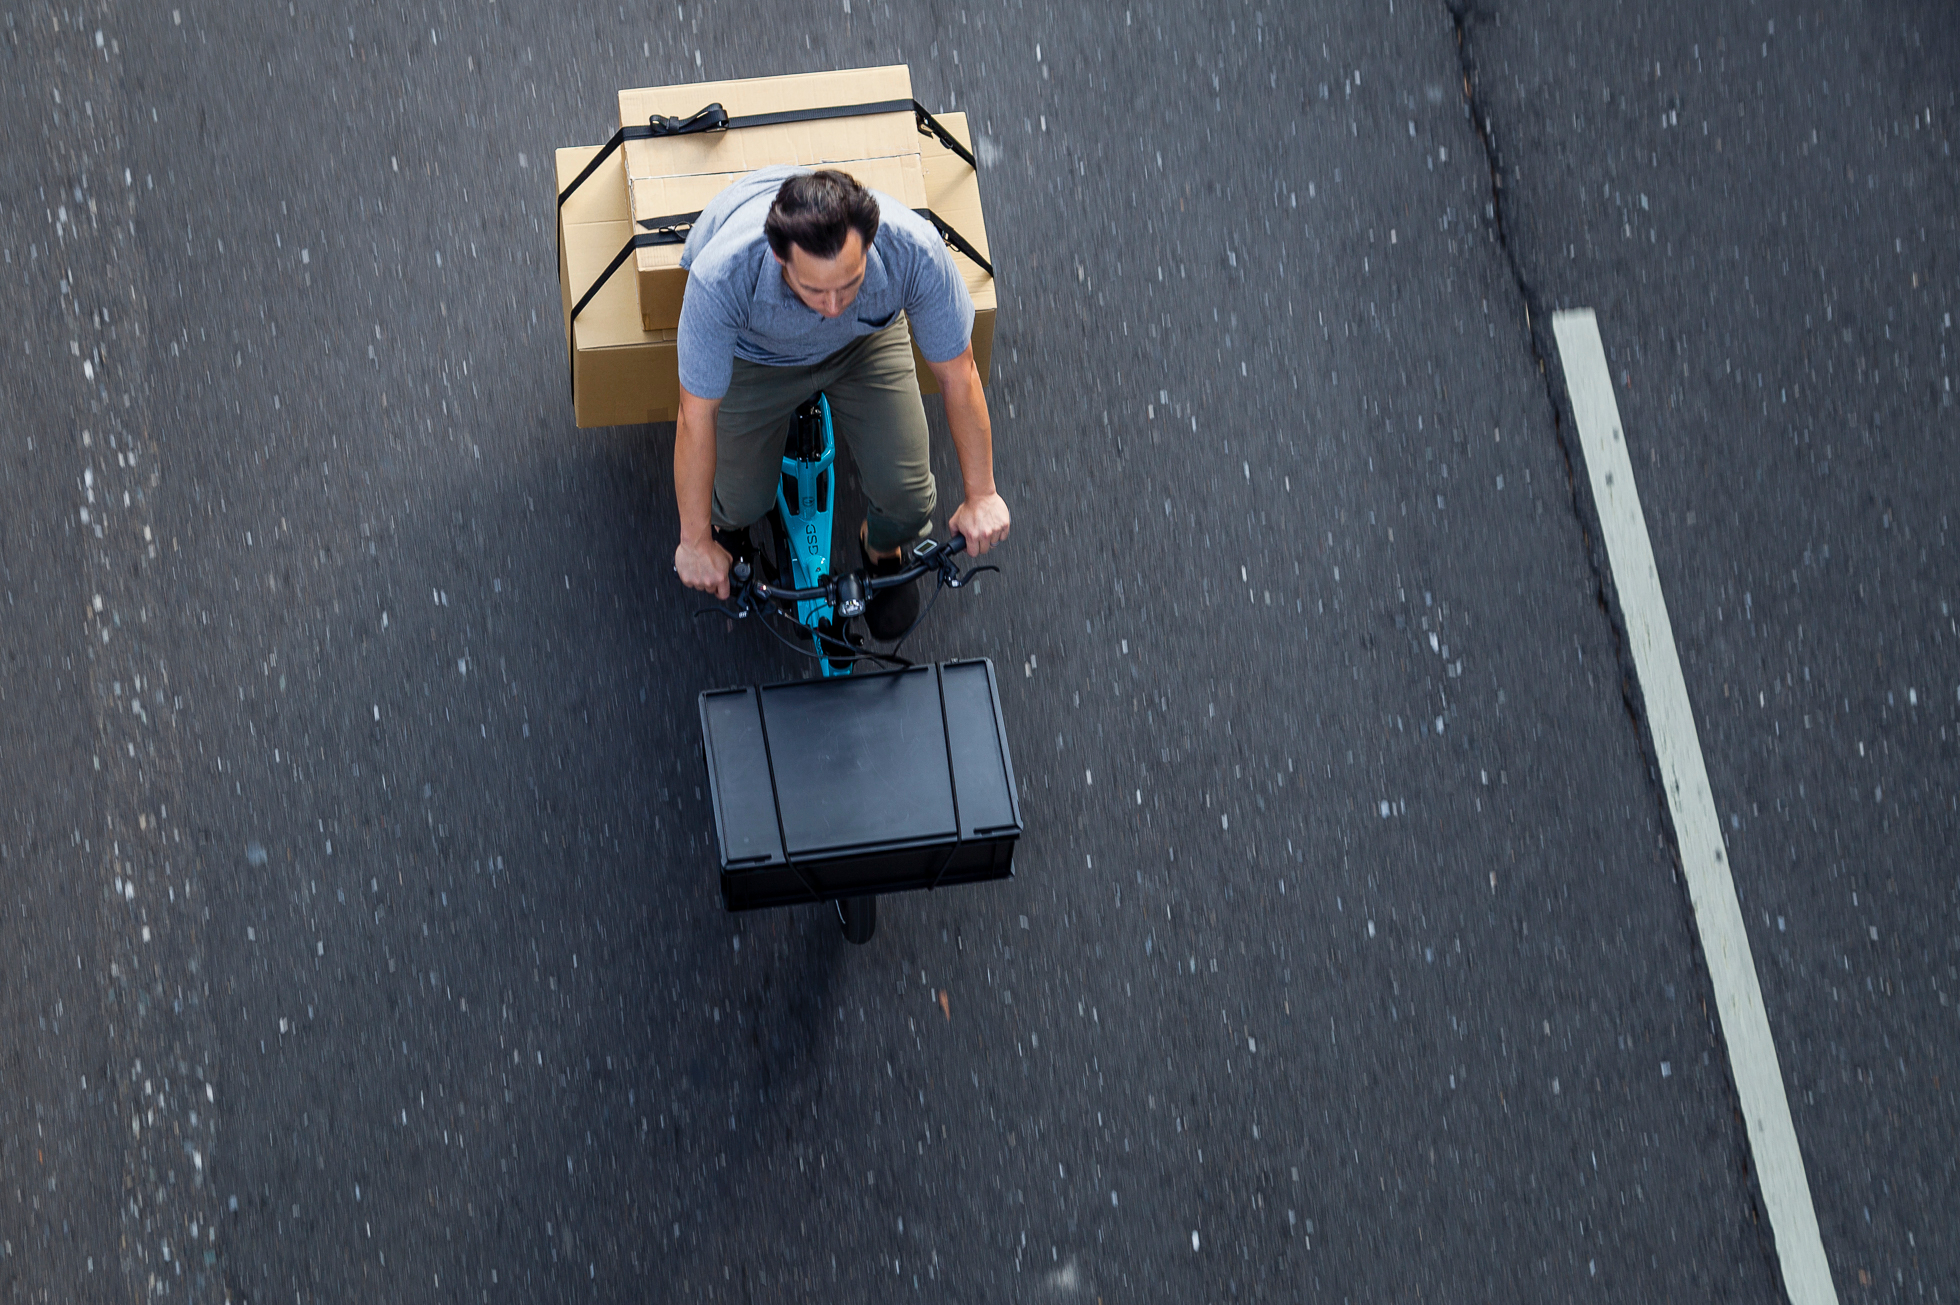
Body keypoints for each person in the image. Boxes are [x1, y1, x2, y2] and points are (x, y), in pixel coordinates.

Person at [669, 166, 1009, 638]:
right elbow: (695, 415)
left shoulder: (914, 249)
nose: (832, 306)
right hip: (756, 356)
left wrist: (982, 494)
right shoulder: (723, 277)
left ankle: (884, 550)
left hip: (863, 342)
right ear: (778, 258)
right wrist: (695, 540)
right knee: (738, 503)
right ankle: (734, 536)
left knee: (909, 501)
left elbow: (960, 374)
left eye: (848, 284)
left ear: (870, 245)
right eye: (813, 289)